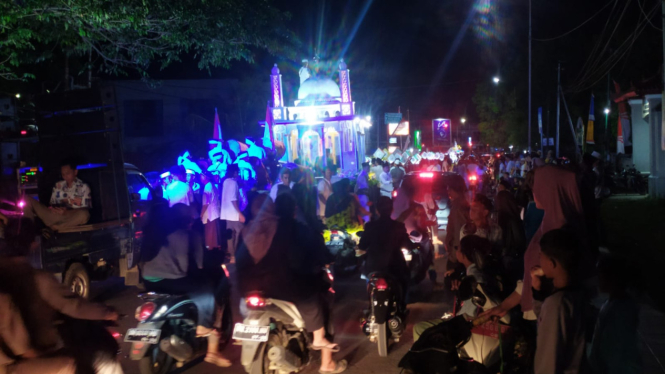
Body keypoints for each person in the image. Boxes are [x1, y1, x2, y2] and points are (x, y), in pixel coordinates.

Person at [236, 194, 346, 374]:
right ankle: (326, 360)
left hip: (248, 289)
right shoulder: (286, 228)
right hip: (281, 286)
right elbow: (304, 255)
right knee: (317, 301)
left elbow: (240, 262)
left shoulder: (246, 230)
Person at [0, 218, 121, 374]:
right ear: (34, 244)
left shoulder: (5, 273)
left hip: (16, 357)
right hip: (21, 361)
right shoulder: (38, 279)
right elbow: (73, 306)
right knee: (70, 365)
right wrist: (107, 313)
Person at [481, 166, 586, 325]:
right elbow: (530, 279)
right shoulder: (548, 223)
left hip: (548, 316)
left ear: (549, 190)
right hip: (539, 311)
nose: (533, 192)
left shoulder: (559, 231)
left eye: (537, 186)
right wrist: (503, 307)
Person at [140, 204, 231, 367]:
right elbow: (190, 265)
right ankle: (204, 328)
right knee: (207, 292)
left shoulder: (154, 233)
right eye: (190, 219)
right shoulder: (182, 235)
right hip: (173, 280)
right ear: (187, 220)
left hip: (149, 280)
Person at [414, 235, 508, 366]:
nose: (456, 251)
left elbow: (468, 313)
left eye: (458, 248)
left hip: (468, 325)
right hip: (473, 322)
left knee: (419, 329)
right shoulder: (475, 271)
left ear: (464, 255)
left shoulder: (474, 278)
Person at [531, 228, 589, 374]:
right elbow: (547, 321)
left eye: (541, 256)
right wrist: (538, 293)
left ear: (551, 263)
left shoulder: (557, 303)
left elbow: (548, 361)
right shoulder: (576, 293)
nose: (539, 260)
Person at [588, 254, 641, 374]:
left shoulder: (621, 310)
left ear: (613, 278)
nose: (597, 279)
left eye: (600, 275)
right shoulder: (614, 303)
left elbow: (614, 352)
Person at [358, 197, 411, 301]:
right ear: (392, 210)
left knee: (368, 279)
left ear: (377, 211)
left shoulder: (370, 226)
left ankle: (370, 301)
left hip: (373, 266)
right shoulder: (398, 226)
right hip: (394, 267)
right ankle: (403, 303)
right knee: (406, 278)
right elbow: (407, 244)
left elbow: (362, 246)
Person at [23, 159, 91, 230]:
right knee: (27, 200)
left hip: (70, 217)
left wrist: (67, 212)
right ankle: (28, 232)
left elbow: (85, 208)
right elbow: (52, 203)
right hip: (54, 216)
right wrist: (53, 209)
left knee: (85, 215)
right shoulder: (58, 185)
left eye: (68, 173)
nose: (65, 176)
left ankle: (58, 227)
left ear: (75, 172)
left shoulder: (84, 186)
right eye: (63, 174)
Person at [495, 190, 526, 284]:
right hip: (512, 257)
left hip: (508, 258)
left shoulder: (501, 219)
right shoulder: (514, 218)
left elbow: (518, 240)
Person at [220, 164, 245, 263]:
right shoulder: (233, 183)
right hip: (233, 213)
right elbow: (233, 200)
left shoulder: (225, 182)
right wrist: (240, 214)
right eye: (237, 172)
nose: (238, 174)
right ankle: (236, 255)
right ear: (234, 172)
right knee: (241, 232)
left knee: (230, 234)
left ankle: (232, 256)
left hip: (226, 213)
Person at [445, 180, 470, 267]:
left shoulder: (457, 207)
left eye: (449, 190)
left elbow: (458, 230)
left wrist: (455, 251)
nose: (448, 193)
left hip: (457, 252)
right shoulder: (463, 203)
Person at [201, 172, 221, 251]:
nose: (200, 178)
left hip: (209, 214)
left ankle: (209, 249)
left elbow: (206, 203)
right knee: (214, 233)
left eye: (201, 176)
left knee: (209, 233)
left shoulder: (207, 186)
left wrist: (201, 214)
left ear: (205, 177)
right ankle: (214, 249)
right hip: (214, 213)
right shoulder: (212, 185)